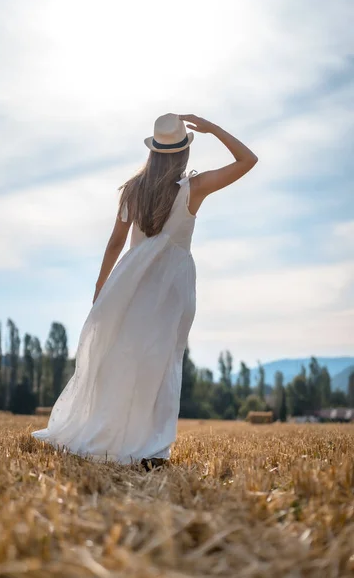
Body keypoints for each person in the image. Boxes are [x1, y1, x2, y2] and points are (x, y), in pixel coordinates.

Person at [31, 113, 258, 468]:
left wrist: (100, 289)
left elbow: (114, 246)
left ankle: (113, 436)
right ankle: (151, 448)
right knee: (161, 364)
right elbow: (248, 160)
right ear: (183, 152)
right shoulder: (192, 189)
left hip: (130, 282)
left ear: (153, 151)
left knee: (121, 360)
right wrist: (212, 128)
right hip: (171, 289)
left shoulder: (133, 190)